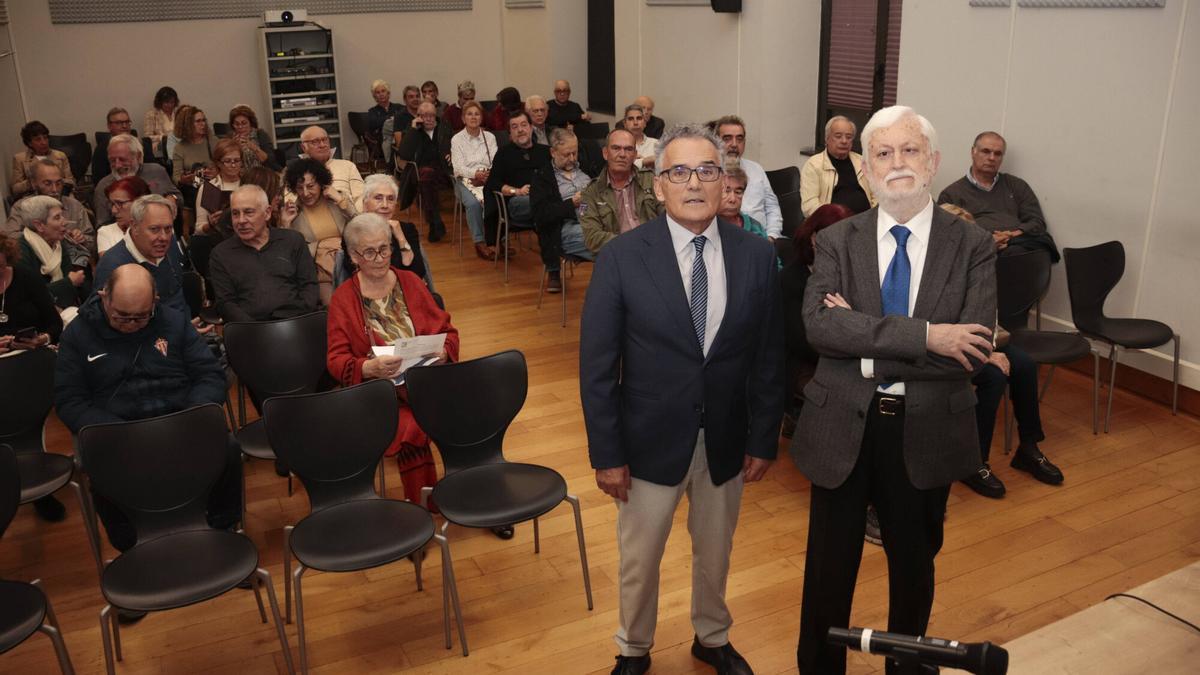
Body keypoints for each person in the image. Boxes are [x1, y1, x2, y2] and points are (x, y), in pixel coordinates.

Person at [791, 106, 997, 674]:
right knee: (828, 572)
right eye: (883, 153)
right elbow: (817, 327)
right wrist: (930, 336)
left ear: (932, 163)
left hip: (927, 428)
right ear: (866, 170)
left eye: (910, 151)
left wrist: (859, 343)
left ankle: (907, 666)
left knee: (914, 568)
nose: (897, 163)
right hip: (840, 429)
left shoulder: (972, 245)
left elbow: (972, 352)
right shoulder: (835, 239)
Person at [580, 123, 784, 675]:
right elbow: (597, 368)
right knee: (640, 558)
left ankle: (712, 636)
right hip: (646, 441)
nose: (694, 182)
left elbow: (768, 358)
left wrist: (764, 436)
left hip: (725, 437)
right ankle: (633, 648)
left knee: (715, 553)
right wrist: (607, 454)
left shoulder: (757, 257)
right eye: (679, 172)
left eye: (707, 170)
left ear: (725, 183)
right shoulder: (622, 258)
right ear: (659, 185)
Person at [53, 263, 237, 555]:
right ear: (104, 297)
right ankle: (133, 548)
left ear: (155, 302)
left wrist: (192, 415)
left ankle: (223, 529)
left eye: (141, 316)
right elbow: (70, 400)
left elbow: (209, 374)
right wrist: (113, 431)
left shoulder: (173, 322)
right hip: (119, 432)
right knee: (98, 465)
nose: (131, 323)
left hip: (179, 420)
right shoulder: (77, 336)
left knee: (226, 447)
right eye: (122, 316)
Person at [326, 213, 459, 505]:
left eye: (385, 248)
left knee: (467, 413)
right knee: (414, 428)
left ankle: (474, 493)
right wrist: (367, 367)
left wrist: (443, 351)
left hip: (427, 383)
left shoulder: (410, 281)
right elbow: (335, 360)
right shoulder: (343, 299)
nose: (380, 258)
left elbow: (448, 332)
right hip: (383, 395)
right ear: (353, 256)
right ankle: (424, 505)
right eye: (369, 252)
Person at [0, 231, 65, 522]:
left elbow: (54, 321)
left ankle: (35, 477)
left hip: (30, 361)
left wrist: (42, 338)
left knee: (28, 418)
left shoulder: (25, 278)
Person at [778, 203, 853, 439]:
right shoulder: (791, 278)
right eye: (830, 237)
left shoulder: (853, 275)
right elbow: (800, 340)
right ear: (813, 238)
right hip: (803, 361)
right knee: (844, 392)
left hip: (845, 356)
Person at [208, 185, 320, 323]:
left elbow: (309, 286)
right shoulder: (221, 254)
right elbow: (226, 304)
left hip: (296, 323)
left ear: (267, 213)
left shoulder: (293, 241)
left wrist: (293, 319)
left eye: (249, 212)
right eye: (235, 213)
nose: (241, 221)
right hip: (251, 330)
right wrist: (258, 330)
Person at [937, 131, 1053, 257]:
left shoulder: (1017, 186)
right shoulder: (951, 194)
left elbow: (1037, 222)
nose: (992, 158)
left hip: (1018, 244)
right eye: (986, 151)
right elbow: (947, 236)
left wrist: (1012, 235)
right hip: (978, 251)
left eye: (998, 154)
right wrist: (988, 241)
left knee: (1028, 250)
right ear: (973, 152)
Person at [93, 194, 190, 319]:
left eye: (168, 228)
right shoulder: (112, 265)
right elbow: (108, 321)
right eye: (154, 229)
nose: (164, 237)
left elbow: (177, 295)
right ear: (134, 226)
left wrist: (186, 328)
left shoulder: (169, 244)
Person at [281, 157, 357, 304]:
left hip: (351, 262)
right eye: (299, 188)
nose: (305, 193)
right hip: (318, 271)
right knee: (334, 308)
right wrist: (286, 224)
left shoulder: (338, 199)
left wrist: (341, 201)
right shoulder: (293, 212)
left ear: (321, 183)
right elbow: (290, 253)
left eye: (311, 186)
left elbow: (362, 227)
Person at [530, 128, 596, 293]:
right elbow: (541, 215)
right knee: (611, 245)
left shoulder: (586, 167)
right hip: (565, 226)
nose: (572, 159)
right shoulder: (543, 177)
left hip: (596, 218)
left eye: (575, 153)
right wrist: (571, 203)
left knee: (622, 238)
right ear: (553, 152)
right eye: (566, 155)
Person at [578, 129, 663, 253]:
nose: (622, 154)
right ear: (605, 153)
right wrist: (633, 243)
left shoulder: (650, 180)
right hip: (619, 255)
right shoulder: (590, 193)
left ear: (635, 155)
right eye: (616, 148)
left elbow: (668, 215)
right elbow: (592, 238)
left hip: (654, 250)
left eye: (628, 149)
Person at [483, 111, 550, 256]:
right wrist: (517, 191)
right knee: (549, 206)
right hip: (516, 205)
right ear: (510, 133)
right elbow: (493, 182)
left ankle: (552, 244)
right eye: (514, 127)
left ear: (531, 128)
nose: (520, 130)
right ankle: (552, 242)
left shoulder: (545, 152)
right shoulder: (503, 154)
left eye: (524, 125)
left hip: (542, 202)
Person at [340, 174, 427, 285]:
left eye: (390, 199)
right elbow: (357, 274)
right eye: (378, 198)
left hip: (406, 291)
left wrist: (401, 238)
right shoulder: (353, 232)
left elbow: (418, 273)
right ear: (365, 203)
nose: (385, 205)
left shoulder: (407, 229)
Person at [13, 196, 91, 312]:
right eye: (57, 217)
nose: (64, 222)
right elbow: (27, 294)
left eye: (62, 215)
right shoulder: (20, 252)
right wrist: (68, 283)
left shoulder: (58, 243)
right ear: (39, 225)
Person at [4, 160, 96, 258]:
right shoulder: (21, 207)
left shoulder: (74, 205)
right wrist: (40, 236)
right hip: (37, 262)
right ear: (33, 183)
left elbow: (92, 242)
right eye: (47, 184)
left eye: (58, 183)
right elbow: (8, 238)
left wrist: (82, 239)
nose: (55, 190)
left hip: (72, 261)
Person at [711, 115, 782, 240]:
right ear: (716, 142)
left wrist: (772, 236)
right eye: (727, 139)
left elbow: (772, 208)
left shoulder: (756, 169)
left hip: (762, 238)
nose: (734, 144)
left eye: (739, 139)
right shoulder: (709, 174)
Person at [93, 133, 182, 226]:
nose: (117, 165)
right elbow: (102, 225)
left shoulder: (156, 171)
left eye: (122, 159)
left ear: (138, 156)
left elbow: (178, 197)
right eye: (112, 160)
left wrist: (172, 198)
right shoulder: (104, 185)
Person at [396, 101, 453, 242]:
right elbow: (404, 154)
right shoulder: (413, 130)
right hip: (418, 172)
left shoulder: (444, 128)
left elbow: (457, 145)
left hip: (444, 171)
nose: (428, 119)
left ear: (436, 116)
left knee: (427, 179)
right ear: (418, 117)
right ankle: (435, 222)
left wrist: (453, 153)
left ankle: (434, 222)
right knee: (426, 175)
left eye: (431, 115)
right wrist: (413, 130)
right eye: (424, 115)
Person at [450, 101, 498, 259]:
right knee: (473, 204)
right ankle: (480, 242)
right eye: (469, 114)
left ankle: (498, 239)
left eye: (477, 114)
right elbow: (458, 168)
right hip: (464, 179)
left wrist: (487, 173)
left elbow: (496, 160)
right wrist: (475, 173)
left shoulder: (490, 137)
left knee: (499, 199)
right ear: (463, 119)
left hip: (488, 177)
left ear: (481, 118)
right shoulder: (457, 139)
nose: (473, 117)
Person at [800, 115, 874, 217]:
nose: (844, 141)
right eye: (838, 136)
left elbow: (877, 194)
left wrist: (874, 217)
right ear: (827, 139)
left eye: (848, 137)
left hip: (865, 222)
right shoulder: (814, 165)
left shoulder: (862, 162)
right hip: (831, 225)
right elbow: (809, 206)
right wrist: (835, 219)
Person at [299, 125, 365, 211]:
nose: (322, 145)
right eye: (315, 142)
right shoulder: (294, 171)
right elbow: (291, 203)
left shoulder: (347, 166)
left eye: (325, 140)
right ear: (304, 147)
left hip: (347, 216)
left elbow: (361, 197)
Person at [9, 121, 75, 198]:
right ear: (29, 143)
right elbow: (15, 189)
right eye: (38, 139)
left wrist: (57, 181)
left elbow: (71, 181)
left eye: (45, 137)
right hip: (33, 197)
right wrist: (32, 182)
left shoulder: (60, 156)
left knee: (72, 203)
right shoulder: (20, 159)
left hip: (60, 193)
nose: (43, 142)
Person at [195, 139, 242, 234]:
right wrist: (211, 225)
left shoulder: (249, 183)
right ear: (219, 163)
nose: (233, 165)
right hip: (220, 239)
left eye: (237, 161)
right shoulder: (208, 188)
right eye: (228, 161)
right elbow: (199, 229)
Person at [95, 176, 151, 256]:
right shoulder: (106, 232)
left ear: (140, 202)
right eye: (112, 204)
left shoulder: (161, 227)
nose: (113, 210)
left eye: (120, 203)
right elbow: (111, 266)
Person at [717, 165, 769, 241]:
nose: (733, 199)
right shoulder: (704, 225)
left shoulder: (755, 228)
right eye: (726, 191)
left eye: (738, 192)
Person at [170, 105, 217, 187]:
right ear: (188, 125)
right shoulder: (179, 148)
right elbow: (176, 177)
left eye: (204, 120)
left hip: (214, 185)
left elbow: (225, 165)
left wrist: (217, 172)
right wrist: (184, 179)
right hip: (193, 187)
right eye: (198, 121)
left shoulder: (213, 141)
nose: (203, 124)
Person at [226, 105, 278, 170]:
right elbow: (225, 162)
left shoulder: (260, 134)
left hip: (261, 174)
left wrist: (254, 148)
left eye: (244, 123)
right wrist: (234, 148)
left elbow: (270, 162)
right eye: (237, 124)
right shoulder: (230, 138)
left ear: (251, 123)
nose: (240, 127)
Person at [91, 107, 135, 182]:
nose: (124, 126)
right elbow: (99, 180)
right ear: (109, 126)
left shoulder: (141, 145)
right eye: (119, 123)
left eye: (127, 122)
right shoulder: (102, 149)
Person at [142, 85, 179, 156]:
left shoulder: (178, 113)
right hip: (161, 149)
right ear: (159, 102)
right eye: (166, 102)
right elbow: (147, 137)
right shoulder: (151, 115)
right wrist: (165, 138)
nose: (170, 105)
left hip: (179, 147)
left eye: (172, 102)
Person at [367, 79, 403, 147]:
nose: (381, 94)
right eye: (378, 92)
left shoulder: (399, 107)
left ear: (388, 93)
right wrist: (391, 118)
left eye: (383, 91)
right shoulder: (372, 112)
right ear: (375, 96)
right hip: (382, 143)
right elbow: (374, 124)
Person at [622, 104, 659, 171]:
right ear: (625, 124)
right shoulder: (619, 146)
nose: (635, 122)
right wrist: (644, 161)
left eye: (639, 118)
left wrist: (634, 162)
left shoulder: (657, 144)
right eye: (631, 119)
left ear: (645, 123)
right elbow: (619, 168)